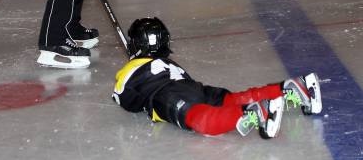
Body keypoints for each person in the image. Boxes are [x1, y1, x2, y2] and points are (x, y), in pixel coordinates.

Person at [113, 17, 323, 139]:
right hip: (193, 87)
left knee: (198, 119)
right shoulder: (171, 65)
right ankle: (294, 87)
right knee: (233, 99)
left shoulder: (131, 69)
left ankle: (254, 113)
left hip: (166, 95)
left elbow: (125, 98)